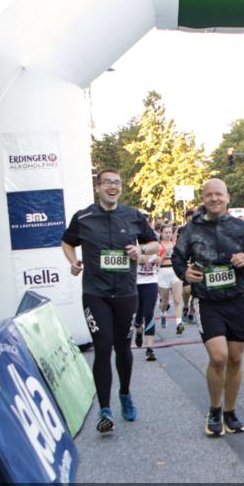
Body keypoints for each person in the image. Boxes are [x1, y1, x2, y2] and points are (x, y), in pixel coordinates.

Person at [62, 167, 160, 434]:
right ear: (98, 187)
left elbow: (154, 245)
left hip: (127, 292)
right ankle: (105, 410)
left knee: (123, 347)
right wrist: (73, 262)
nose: (112, 187)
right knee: (103, 347)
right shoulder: (83, 217)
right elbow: (67, 242)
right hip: (96, 292)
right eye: (107, 183)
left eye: (116, 183)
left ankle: (125, 394)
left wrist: (140, 249)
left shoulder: (133, 215)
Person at [172, 178, 244, 436]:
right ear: (203, 198)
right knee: (218, 357)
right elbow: (177, 258)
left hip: (236, 299)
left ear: (227, 197)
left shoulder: (242, 228)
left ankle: (230, 411)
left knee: (235, 359)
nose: (214, 199)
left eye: (219, 194)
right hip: (208, 301)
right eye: (209, 195)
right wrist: (184, 273)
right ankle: (214, 409)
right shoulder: (191, 229)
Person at [134, 224, 161, 361]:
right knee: (139, 314)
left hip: (151, 282)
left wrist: (159, 260)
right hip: (137, 284)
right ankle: (138, 328)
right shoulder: (136, 248)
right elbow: (133, 259)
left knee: (149, 313)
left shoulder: (155, 247)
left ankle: (150, 349)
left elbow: (161, 257)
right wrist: (138, 259)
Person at [156, 224, 185, 336]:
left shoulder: (175, 245)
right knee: (165, 302)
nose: (168, 234)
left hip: (175, 273)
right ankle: (163, 314)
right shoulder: (158, 246)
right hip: (163, 273)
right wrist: (165, 254)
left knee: (178, 300)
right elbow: (157, 262)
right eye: (166, 232)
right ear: (161, 233)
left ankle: (179, 324)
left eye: (169, 232)